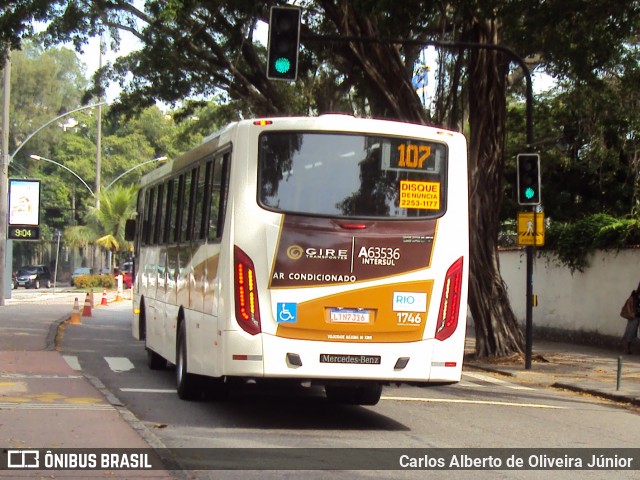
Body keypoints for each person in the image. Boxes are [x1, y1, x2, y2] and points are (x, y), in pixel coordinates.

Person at [622, 284, 640, 354]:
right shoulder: (635, 294)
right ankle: (627, 348)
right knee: (631, 332)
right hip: (634, 316)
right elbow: (629, 303)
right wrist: (630, 313)